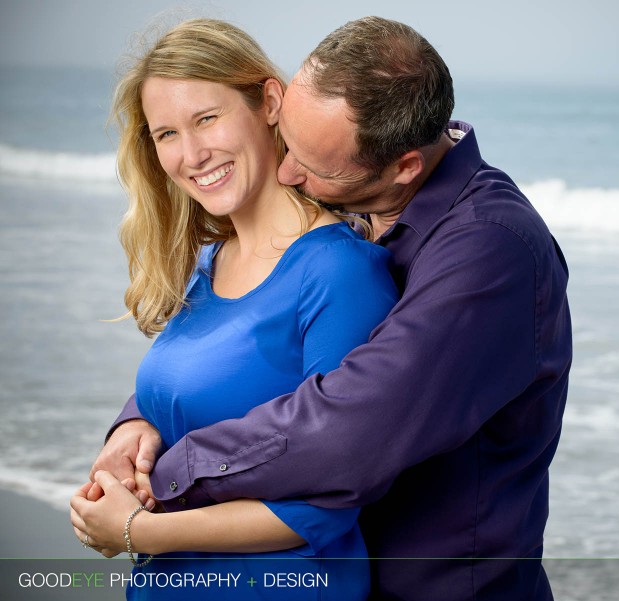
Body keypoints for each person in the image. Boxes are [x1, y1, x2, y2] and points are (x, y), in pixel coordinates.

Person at [93, 16, 572, 601]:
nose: (288, 171)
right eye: (290, 140)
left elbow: (349, 431)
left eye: (312, 167)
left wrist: (159, 487)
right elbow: (231, 351)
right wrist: (139, 423)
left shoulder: (488, 248)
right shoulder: (360, 203)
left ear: (404, 168)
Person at [69, 18, 398, 600]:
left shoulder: (339, 272)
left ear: (269, 102)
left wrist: (140, 530)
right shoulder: (208, 264)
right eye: (166, 133)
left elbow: (327, 505)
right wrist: (132, 431)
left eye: (207, 118)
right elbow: (190, 400)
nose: (192, 154)